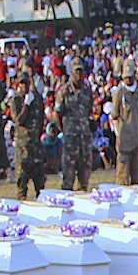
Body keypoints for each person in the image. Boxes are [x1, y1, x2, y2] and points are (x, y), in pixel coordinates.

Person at [7, 66, 47, 200]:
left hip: (36, 148)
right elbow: (18, 120)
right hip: (23, 150)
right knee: (21, 188)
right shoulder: (16, 100)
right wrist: (26, 104)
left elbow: (41, 119)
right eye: (22, 83)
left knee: (41, 188)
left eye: (26, 83)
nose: (24, 86)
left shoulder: (37, 98)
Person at [56, 58, 95, 191]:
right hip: (70, 140)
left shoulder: (87, 91)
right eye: (76, 71)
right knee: (68, 180)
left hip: (84, 140)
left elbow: (89, 111)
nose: (79, 73)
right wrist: (65, 131)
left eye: (81, 71)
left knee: (84, 180)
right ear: (71, 71)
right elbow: (58, 114)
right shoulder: (64, 91)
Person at [111, 59, 138, 185]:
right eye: (126, 77)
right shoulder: (119, 93)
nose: (128, 79)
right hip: (124, 142)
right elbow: (114, 115)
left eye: (130, 76)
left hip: (137, 141)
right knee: (123, 176)